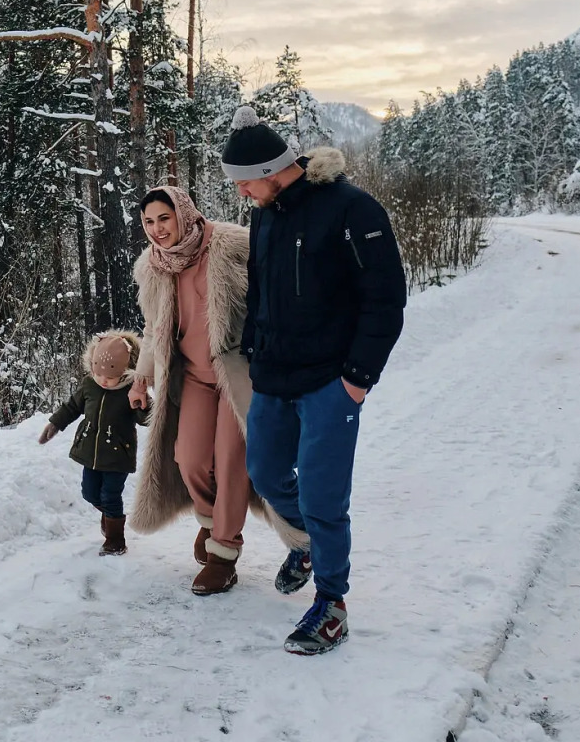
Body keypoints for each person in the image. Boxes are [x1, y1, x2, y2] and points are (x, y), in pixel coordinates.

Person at [221, 105, 406, 655]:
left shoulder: (352, 209)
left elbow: (386, 298)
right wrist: (255, 346)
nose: (241, 195)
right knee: (268, 473)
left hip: (331, 380)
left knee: (325, 495)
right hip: (275, 374)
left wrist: (358, 378)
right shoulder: (266, 214)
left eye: (245, 184)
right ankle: (307, 544)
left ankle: (331, 603)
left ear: (273, 171)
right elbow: (261, 291)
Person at [126, 185, 308, 595]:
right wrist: (141, 378)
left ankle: (224, 553)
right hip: (192, 376)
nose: (157, 230)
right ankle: (211, 523)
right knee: (187, 459)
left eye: (164, 218)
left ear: (184, 213)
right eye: (149, 223)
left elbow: (276, 298)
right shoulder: (154, 266)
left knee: (231, 461)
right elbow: (155, 332)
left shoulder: (231, 245)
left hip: (239, 374)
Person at [39, 330, 152, 556]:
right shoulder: (90, 385)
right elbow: (72, 406)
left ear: (126, 371)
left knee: (111, 496)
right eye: (98, 374)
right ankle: (111, 518)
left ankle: (115, 540)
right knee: (89, 493)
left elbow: (145, 420)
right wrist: (55, 424)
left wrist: (145, 405)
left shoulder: (131, 391)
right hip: (90, 452)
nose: (103, 381)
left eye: (110, 378)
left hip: (118, 455)